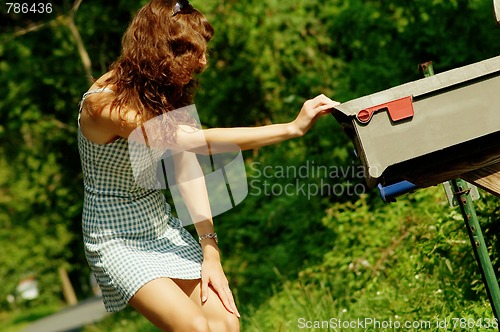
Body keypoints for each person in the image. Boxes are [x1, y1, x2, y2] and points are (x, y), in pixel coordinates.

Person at [77, 0, 340, 331]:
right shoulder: (108, 105)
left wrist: (210, 251)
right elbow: (195, 141)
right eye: (194, 53)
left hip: (159, 226)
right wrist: (291, 128)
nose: (203, 61)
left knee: (226, 324)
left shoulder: (157, 90)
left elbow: (184, 166)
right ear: (162, 52)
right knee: (197, 329)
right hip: (116, 239)